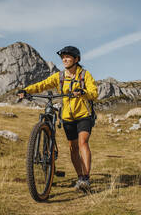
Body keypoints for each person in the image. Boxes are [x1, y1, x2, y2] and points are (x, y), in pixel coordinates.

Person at [18, 46, 98, 191]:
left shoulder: (84, 75)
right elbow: (42, 84)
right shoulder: (59, 77)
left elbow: (94, 93)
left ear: (76, 59)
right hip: (67, 116)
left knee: (82, 143)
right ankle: (80, 177)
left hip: (83, 115)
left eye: (68, 57)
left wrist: (83, 92)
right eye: (63, 57)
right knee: (73, 147)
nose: (64, 59)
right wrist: (26, 90)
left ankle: (86, 178)